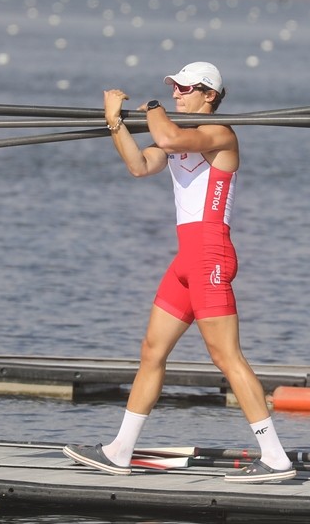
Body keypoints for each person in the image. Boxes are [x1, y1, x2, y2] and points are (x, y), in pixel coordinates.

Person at [63, 61, 296, 483]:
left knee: (226, 356)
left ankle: (275, 456)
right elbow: (139, 164)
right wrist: (115, 123)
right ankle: (119, 450)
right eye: (173, 88)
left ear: (210, 95)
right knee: (152, 351)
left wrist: (150, 107)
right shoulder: (177, 138)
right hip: (185, 260)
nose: (176, 93)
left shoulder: (221, 134)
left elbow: (167, 135)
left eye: (186, 88)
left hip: (210, 254)